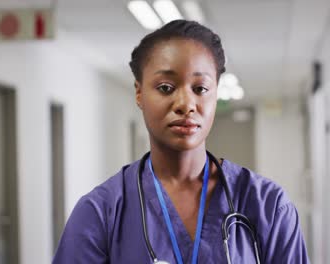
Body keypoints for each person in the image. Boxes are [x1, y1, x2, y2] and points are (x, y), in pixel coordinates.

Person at [53, 20, 309, 264]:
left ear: (215, 94)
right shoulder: (101, 212)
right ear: (140, 93)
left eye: (200, 89)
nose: (186, 104)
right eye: (165, 87)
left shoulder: (268, 206)